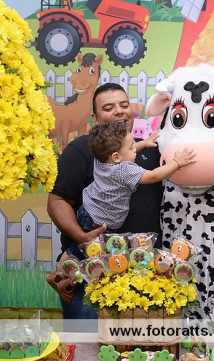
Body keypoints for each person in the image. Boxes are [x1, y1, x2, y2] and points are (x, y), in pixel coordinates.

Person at [47, 83, 164, 323]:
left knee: (140, 344)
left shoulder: (147, 149)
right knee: (86, 343)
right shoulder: (81, 150)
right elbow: (57, 201)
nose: (119, 111)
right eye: (109, 108)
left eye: (124, 105)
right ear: (95, 118)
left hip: (144, 274)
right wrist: (81, 237)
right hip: (92, 272)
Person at [66, 121, 196, 257]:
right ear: (116, 157)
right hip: (101, 222)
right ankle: (64, 265)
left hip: (87, 209)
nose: (135, 149)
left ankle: (63, 264)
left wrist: (144, 143)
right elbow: (153, 176)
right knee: (90, 251)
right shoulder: (124, 170)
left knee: (78, 247)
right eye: (131, 148)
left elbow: (123, 153)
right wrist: (176, 162)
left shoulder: (101, 159)